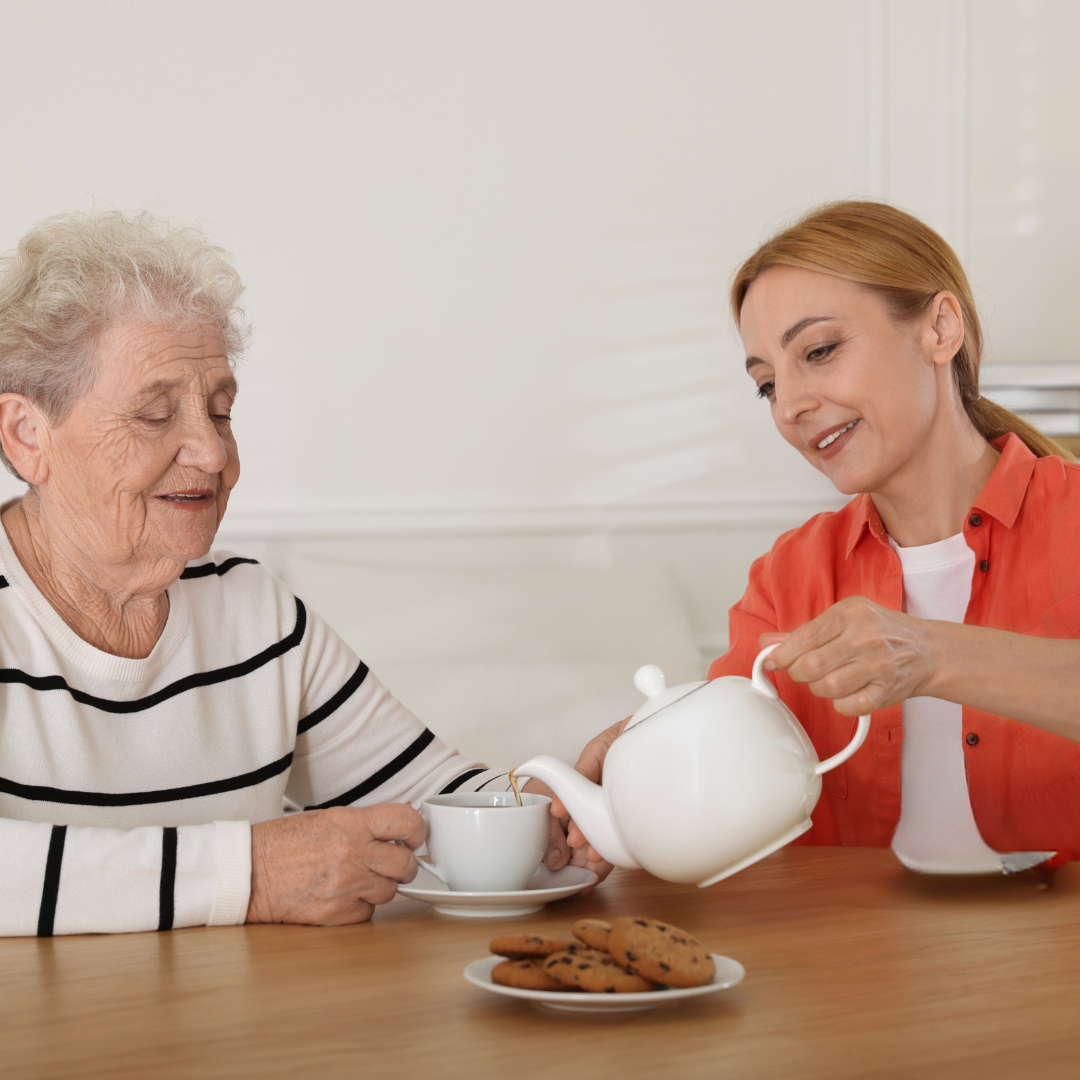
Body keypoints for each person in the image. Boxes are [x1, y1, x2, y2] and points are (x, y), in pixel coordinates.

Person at [0, 211, 596, 937]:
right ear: (29, 436)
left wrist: (557, 802)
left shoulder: (254, 614)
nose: (212, 455)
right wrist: (249, 875)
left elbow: (435, 798)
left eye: (220, 413)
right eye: (156, 415)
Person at [561, 201, 1080, 874]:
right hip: (850, 967)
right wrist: (633, 794)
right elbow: (729, 786)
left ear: (940, 329)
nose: (789, 406)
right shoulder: (786, 578)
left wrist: (932, 654)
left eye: (820, 351)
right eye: (767, 385)